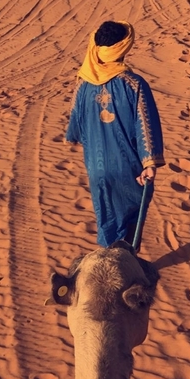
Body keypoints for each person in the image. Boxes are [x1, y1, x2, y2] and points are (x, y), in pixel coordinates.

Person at [65, 20, 165, 249]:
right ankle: (123, 262)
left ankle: (109, 256)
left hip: (96, 165)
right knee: (132, 212)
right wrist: (149, 162)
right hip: (127, 165)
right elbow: (145, 126)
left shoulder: (82, 84)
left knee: (106, 211)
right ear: (124, 47)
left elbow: (75, 128)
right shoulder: (134, 84)